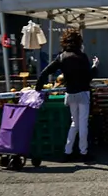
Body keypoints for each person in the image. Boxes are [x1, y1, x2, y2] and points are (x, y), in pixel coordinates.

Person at [35, 28, 99, 162]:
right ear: (79, 42)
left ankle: (68, 151)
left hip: (69, 94)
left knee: (74, 123)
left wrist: (38, 87)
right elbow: (88, 77)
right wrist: (95, 66)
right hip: (83, 93)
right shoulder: (81, 56)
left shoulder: (62, 56)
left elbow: (46, 71)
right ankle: (84, 152)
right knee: (83, 124)